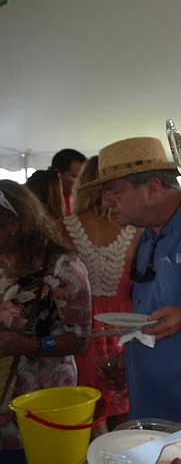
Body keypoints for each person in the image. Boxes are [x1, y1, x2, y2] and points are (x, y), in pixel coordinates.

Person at [81, 137, 181, 424]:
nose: (108, 202)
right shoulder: (145, 236)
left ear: (153, 188)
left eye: (115, 192)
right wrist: (127, 356)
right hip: (149, 402)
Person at [0, 180, 91, 455]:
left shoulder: (62, 267)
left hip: (40, 398)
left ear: (14, 224)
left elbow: (79, 340)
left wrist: (30, 346)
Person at [61, 155, 140, 436]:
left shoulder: (65, 227)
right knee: (128, 407)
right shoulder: (137, 227)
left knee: (90, 409)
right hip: (127, 323)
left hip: (83, 327)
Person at [50, 148, 87, 215]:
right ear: (57, 174)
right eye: (74, 176)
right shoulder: (45, 201)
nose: (80, 182)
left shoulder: (84, 200)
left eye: (82, 178)